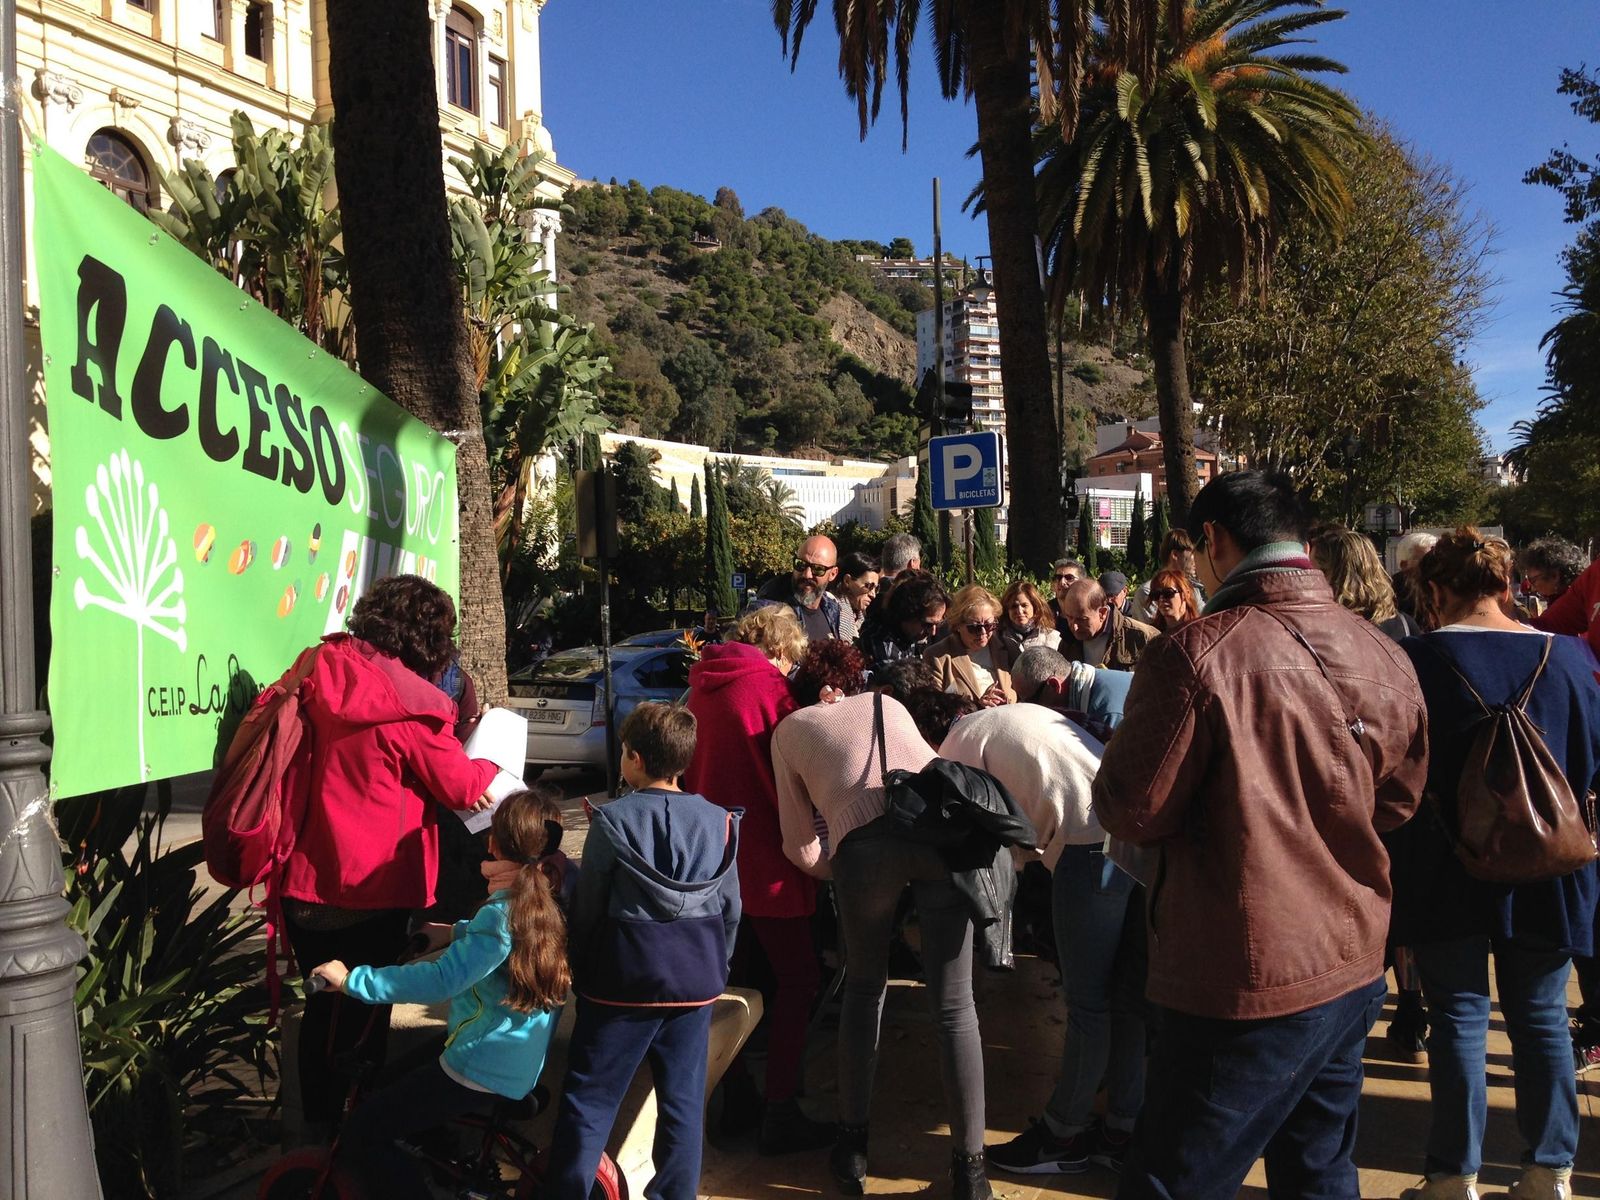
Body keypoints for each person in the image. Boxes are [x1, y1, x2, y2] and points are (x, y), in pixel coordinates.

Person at [1094, 470, 1429, 1200]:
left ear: (1213, 542)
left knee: (1173, 1178)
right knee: (1319, 1172)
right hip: (1351, 956)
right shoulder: (1384, 652)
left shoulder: (1196, 654)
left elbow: (1131, 808)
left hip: (1241, 978)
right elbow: (1399, 803)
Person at [1388, 531, 1600, 1200]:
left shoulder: (1413, 661)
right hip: (1548, 863)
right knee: (1541, 1018)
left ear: (1437, 591)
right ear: (1508, 584)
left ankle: (1454, 1176)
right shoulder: (1566, 659)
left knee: (1457, 1018)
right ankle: (1548, 1172)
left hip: (1443, 861)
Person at [281, 575, 500, 1137]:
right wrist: (496, 763)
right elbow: (460, 786)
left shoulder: (318, 668)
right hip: (373, 887)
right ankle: (355, 1141)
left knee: (323, 1013)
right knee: (362, 1016)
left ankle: (319, 1137)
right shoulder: (410, 704)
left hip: (305, 878)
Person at [772, 688, 993, 1200]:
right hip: (940, 834)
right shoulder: (884, 701)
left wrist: (844, 873)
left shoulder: (787, 732)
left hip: (864, 850)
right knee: (957, 1007)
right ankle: (971, 1172)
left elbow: (798, 845)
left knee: (865, 988)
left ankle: (852, 1150)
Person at [310, 789, 570, 1200]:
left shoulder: (499, 917)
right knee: (398, 1081)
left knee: (363, 1129)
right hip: (513, 1060)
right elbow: (500, 945)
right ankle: (447, 1160)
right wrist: (453, 932)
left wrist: (353, 981)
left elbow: (441, 981)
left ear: (493, 844)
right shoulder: (543, 905)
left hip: (480, 1065)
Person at [944, 648, 1145, 1177]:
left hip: (1085, 848)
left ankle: (1062, 1135)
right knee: (1123, 1000)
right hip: (1130, 837)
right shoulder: (1028, 714)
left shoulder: (954, 744)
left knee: (1088, 1006)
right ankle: (1122, 1128)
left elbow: (982, 834)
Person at [543, 703, 741, 1200]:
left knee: (589, 1103)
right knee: (682, 1104)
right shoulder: (720, 822)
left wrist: (581, 969)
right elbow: (731, 909)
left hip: (620, 984)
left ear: (632, 758)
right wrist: (718, 964)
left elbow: (589, 909)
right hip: (695, 983)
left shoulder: (611, 821)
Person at [682, 607, 831, 1155]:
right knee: (798, 979)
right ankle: (781, 1108)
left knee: (730, 982)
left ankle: (736, 1090)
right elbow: (798, 769)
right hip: (767, 855)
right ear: (783, 650)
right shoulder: (768, 688)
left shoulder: (702, 684)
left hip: (711, 858)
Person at [1311, 524, 1422, 641]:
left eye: (1312, 570)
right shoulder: (1405, 624)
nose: (1308, 579)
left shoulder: (1318, 631)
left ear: (1328, 574)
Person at [923, 585, 1016, 706]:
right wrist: (977, 706)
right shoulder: (938, 656)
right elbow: (934, 708)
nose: (983, 633)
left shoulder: (1006, 647)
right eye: (974, 628)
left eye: (989, 625)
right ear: (957, 625)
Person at [755, 534, 844, 642]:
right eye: (801, 564)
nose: (807, 574)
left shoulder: (832, 610)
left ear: (833, 574)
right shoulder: (767, 611)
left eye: (818, 569)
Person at [1056, 578, 1159, 671]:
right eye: (1069, 617)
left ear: (1102, 613)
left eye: (1082, 620)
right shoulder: (1068, 641)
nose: (1074, 626)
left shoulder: (1144, 638)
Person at [859, 571, 949, 673]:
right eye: (927, 625)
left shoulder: (907, 635)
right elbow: (901, 685)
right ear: (907, 613)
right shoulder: (882, 642)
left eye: (938, 624)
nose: (933, 632)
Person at [1132, 530, 1205, 620]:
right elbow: (1154, 631)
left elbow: (1205, 620)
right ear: (1175, 555)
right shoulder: (1148, 592)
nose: (1196, 560)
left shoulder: (1193, 589)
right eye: (1193, 554)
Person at [1519, 537, 1585, 611]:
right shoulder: (1578, 594)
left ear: (1554, 576)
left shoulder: (1568, 604)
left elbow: (1546, 621)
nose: (1532, 588)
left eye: (1533, 581)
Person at [999, 579, 1061, 656]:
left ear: (1034, 607)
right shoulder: (999, 638)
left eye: (1024, 605)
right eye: (1014, 606)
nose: (1019, 611)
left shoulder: (1050, 637)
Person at [1393, 529, 1440, 629]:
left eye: (1438, 558)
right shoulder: (1393, 593)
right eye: (1426, 559)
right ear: (1404, 565)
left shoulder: (1447, 587)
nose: (1435, 564)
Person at [831, 551, 881, 643]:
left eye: (876, 588)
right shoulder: (833, 611)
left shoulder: (860, 618)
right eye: (868, 586)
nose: (873, 594)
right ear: (847, 581)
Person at [1142, 567, 1200, 634]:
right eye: (1156, 595)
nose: (1161, 599)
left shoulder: (1200, 630)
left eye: (1168, 593)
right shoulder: (1151, 634)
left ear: (1185, 594)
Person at [1047, 558, 1085, 623]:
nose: (1062, 582)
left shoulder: (1086, 609)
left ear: (1081, 582)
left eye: (1069, 578)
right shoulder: (1046, 611)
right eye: (1058, 577)